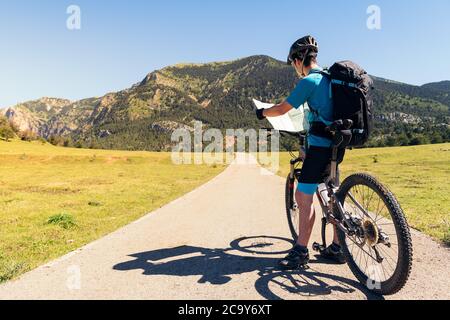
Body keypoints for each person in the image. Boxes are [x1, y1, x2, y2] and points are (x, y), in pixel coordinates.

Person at [256, 36, 346, 269]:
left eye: (293, 62)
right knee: (331, 192)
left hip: (319, 148)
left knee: (303, 197)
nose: (295, 67)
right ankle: (338, 247)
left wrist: (263, 112)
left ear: (299, 60)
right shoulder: (331, 79)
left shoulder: (310, 81)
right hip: (337, 144)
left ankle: (300, 251)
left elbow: (282, 109)